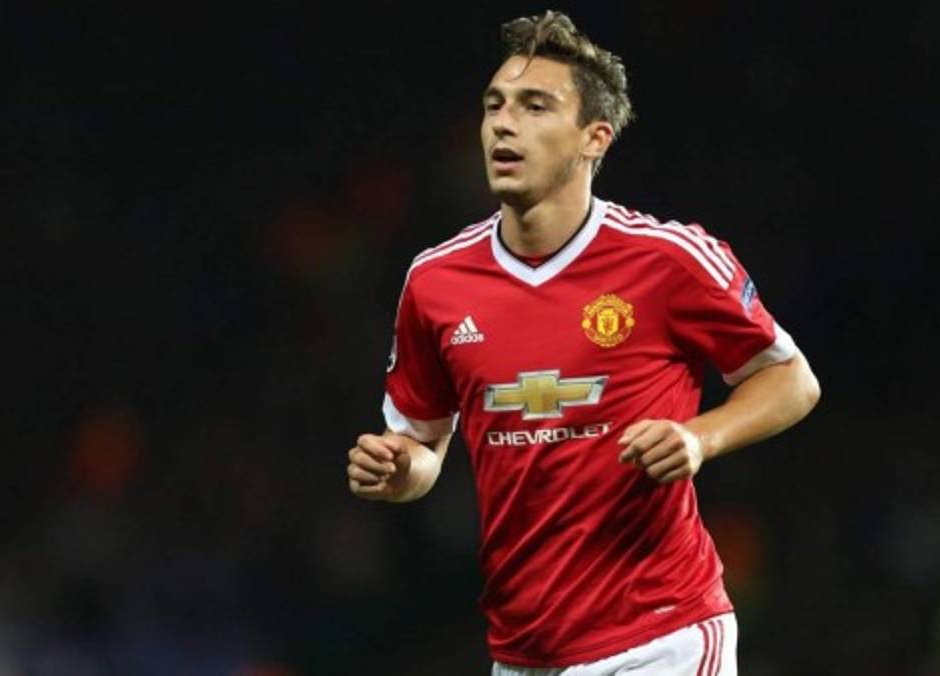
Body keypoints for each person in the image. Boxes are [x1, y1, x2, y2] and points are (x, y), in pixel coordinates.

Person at [346, 10, 820, 675]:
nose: (503, 124)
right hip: (523, 651)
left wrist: (699, 438)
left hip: (663, 636)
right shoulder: (435, 281)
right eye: (494, 105)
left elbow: (793, 380)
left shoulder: (667, 260)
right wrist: (399, 471)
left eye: (535, 106)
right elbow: (422, 448)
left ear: (595, 138)